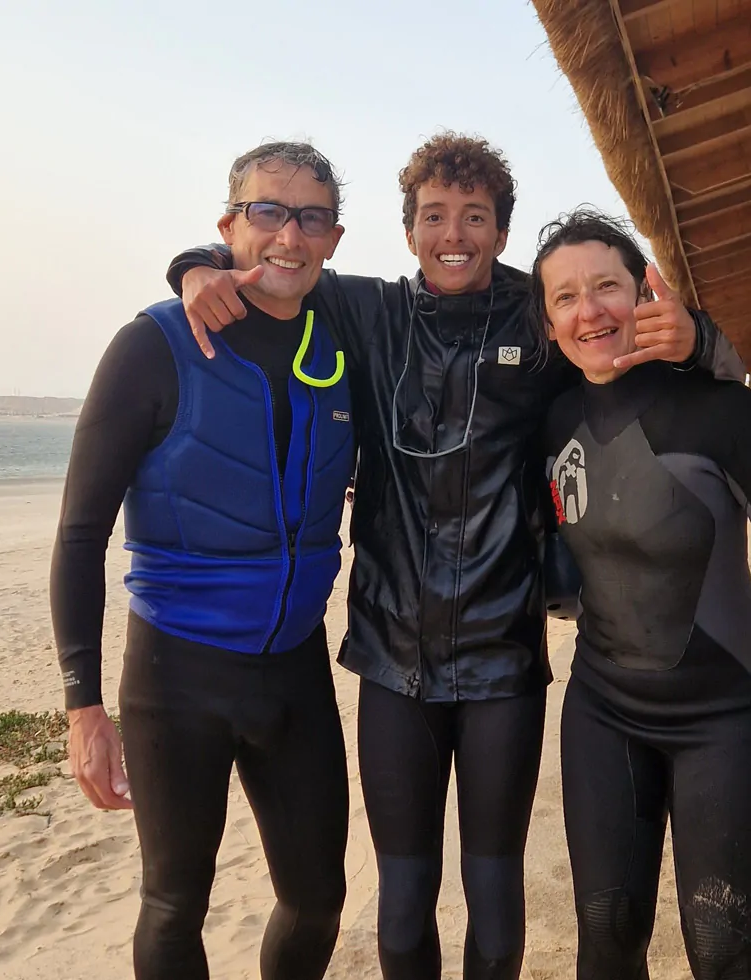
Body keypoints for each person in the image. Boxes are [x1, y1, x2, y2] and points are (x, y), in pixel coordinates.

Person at [165, 133, 738, 980]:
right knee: (401, 902)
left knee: (495, 895)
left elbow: (630, 366)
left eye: (475, 216)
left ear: (501, 232)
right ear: (409, 232)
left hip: (504, 656)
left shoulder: (538, 320)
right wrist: (195, 266)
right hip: (392, 653)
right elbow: (278, 264)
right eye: (434, 216)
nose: (454, 234)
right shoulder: (367, 313)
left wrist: (698, 340)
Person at [50, 141, 356, 980]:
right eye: (268, 211)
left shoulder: (344, 345)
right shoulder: (153, 345)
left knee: (318, 899)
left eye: (312, 218)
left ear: (334, 239)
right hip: (175, 676)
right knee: (173, 903)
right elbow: (79, 534)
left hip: (294, 671)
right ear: (229, 226)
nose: (289, 235)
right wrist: (83, 708)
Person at [536, 208, 751, 979]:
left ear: (646, 294)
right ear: (549, 322)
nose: (589, 311)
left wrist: (710, 342)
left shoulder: (720, 410)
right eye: (565, 297)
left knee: (723, 946)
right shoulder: (552, 418)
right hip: (603, 710)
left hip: (724, 718)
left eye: (607, 287)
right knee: (607, 930)